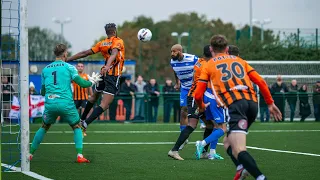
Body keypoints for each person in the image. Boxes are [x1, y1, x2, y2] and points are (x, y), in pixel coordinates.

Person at [194, 35, 282, 180]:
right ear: (227, 49)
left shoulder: (209, 65)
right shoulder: (240, 61)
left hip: (235, 105)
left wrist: (202, 107)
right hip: (253, 104)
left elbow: (198, 94)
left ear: (211, 49)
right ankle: (241, 168)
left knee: (239, 148)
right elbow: (260, 81)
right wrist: (270, 103)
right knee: (228, 142)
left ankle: (260, 177)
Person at [29, 44, 102, 163]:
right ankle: (79, 156)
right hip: (66, 104)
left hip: (50, 104)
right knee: (77, 126)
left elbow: (42, 92)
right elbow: (82, 84)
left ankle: (30, 154)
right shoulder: (69, 67)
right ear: (64, 54)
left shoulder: (45, 69)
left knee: (44, 127)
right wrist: (91, 82)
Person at [67, 23, 125, 135]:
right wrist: (108, 66)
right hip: (113, 75)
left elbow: (85, 53)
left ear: (107, 32)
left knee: (94, 97)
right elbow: (114, 53)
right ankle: (84, 124)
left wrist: (68, 59)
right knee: (105, 104)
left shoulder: (102, 43)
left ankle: (82, 119)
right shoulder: (118, 41)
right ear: (115, 31)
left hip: (103, 74)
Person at [168, 45, 213, 160]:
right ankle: (174, 150)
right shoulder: (203, 65)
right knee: (192, 124)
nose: (172, 53)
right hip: (194, 96)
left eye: (174, 51)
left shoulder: (197, 61)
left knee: (209, 125)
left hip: (197, 95)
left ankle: (203, 152)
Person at [169, 44, 198, 149]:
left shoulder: (193, 59)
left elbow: (203, 68)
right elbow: (175, 72)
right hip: (185, 88)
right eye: (171, 52)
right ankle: (184, 139)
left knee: (202, 111)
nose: (172, 54)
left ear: (180, 52)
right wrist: (177, 83)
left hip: (196, 87)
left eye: (174, 52)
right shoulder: (173, 62)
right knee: (183, 111)